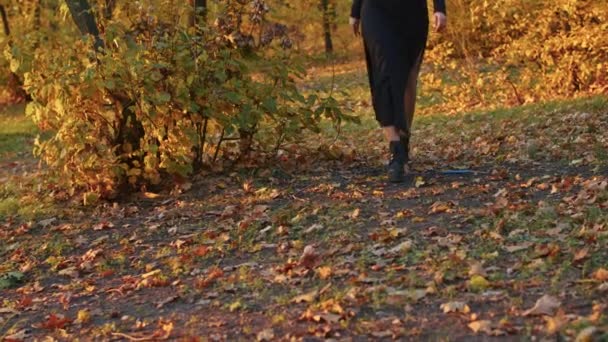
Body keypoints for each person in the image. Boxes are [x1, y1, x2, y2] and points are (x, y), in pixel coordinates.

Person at [350, 0, 447, 183]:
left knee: (408, 78)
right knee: (383, 72)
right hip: (375, 10)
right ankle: (396, 150)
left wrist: (439, 8)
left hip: (412, 13)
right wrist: (355, 11)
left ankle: (403, 140)